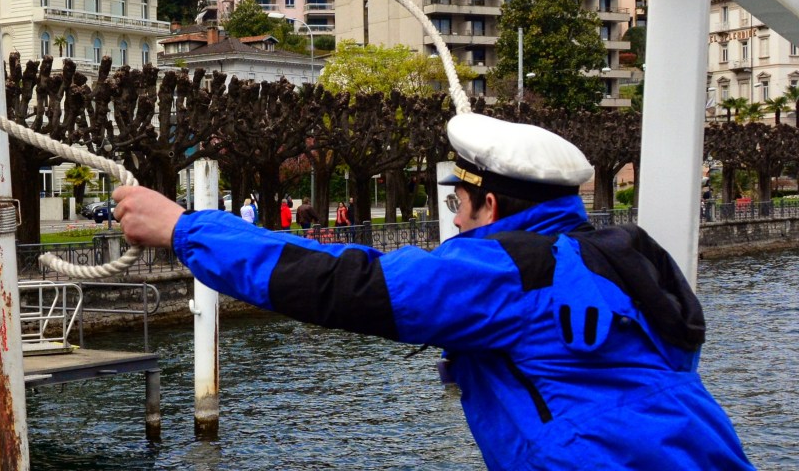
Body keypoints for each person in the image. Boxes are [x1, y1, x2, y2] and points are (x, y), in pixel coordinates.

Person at [111, 113, 752, 470]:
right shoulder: (625, 254)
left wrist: (183, 228)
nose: (456, 222)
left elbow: (345, 283)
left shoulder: (503, 270)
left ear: (489, 204)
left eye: (459, 205)